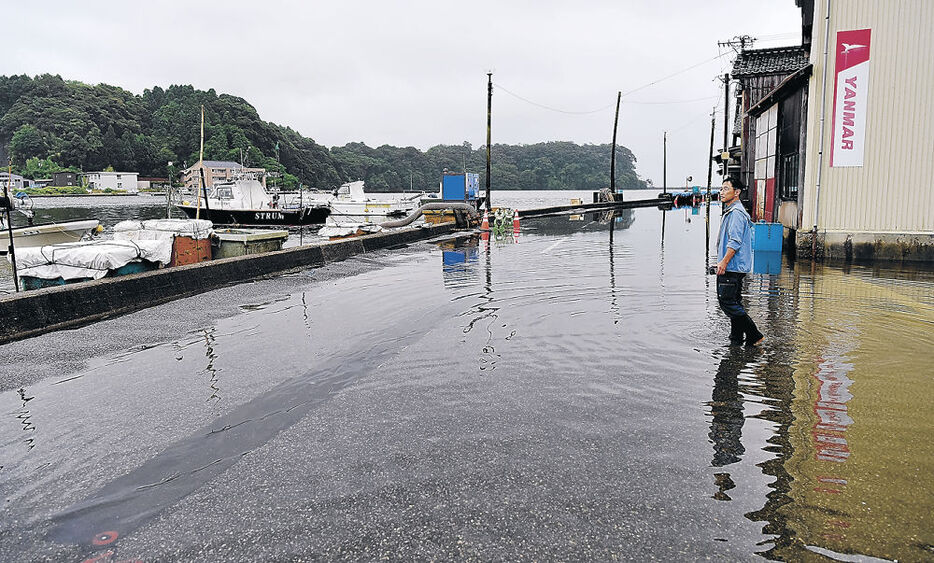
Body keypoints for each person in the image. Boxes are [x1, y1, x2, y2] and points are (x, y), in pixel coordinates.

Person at [715, 177, 763, 346]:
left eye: (726, 189)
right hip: (735, 265)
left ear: (736, 192)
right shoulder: (733, 211)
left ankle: (754, 334)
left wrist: (723, 262)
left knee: (727, 302)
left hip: (732, 266)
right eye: (721, 189)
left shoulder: (735, 213)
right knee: (734, 302)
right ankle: (736, 339)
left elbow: (734, 242)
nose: (721, 192)